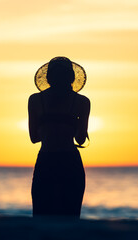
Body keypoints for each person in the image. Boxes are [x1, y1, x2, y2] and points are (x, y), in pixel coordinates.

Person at [28, 56, 90, 218]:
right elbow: (81, 139)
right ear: (71, 78)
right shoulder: (82, 102)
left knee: (42, 216)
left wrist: (50, 126)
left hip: (46, 160)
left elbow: (34, 137)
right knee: (70, 217)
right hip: (70, 161)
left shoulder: (35, 100)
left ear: (48, 78)